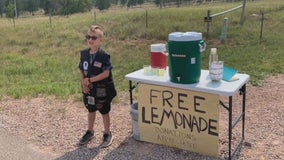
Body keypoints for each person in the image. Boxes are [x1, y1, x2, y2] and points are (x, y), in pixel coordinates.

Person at [78, 25, 117, 147]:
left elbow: (106, 73)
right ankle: (90, 131)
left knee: (104, 111)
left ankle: (107, 133)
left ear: (100, 40)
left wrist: (90, 80)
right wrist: (84, 82)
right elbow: (81, 69)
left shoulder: (104, 55)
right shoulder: (84, 54)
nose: (90, 39)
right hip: (89, 89)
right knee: (91, 109)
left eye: (94, 37)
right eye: (88, 37)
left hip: (102, 89)